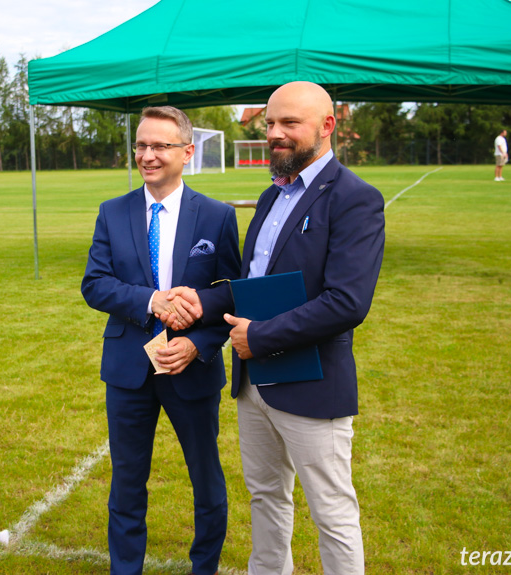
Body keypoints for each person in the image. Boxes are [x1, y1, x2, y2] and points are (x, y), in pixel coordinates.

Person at [163, 81, 384, 575]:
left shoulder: (354, 199)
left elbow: (347, 302)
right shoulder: (270, 196)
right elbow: (251, 284)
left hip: (312, 384)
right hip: (254, 383)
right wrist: (202, 299)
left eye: (290, 124)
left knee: (331, 512)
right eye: (270, 124)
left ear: (327, 127)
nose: (276, 134)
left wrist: (258, 338)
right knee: (265, 498)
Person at [81, 106, 241, 575]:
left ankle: (205, 566)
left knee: (205, 478)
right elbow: (95, 284)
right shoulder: (113, 212)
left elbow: (231, 293)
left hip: (191, 369)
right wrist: (151, 301)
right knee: (127, 482)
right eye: (141, 146)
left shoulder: (216, 217)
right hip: (128, 370)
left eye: (160, 146)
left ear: (188, 153)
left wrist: (199, 344)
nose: (147, 155)